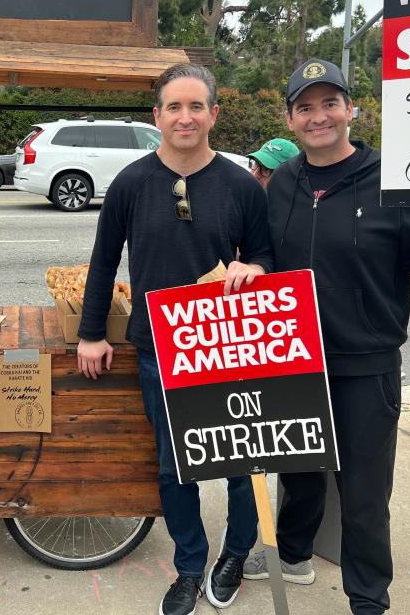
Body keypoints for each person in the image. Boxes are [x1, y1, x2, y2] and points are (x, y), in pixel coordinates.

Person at [242, 57, 410, 615]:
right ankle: (293, 556)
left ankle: (368, 600)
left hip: (367, 365)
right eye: (305, 107)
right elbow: (264, 251)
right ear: (290, 119)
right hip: (294, 360)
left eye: (329, 103)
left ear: (350, 110)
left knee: (363, 494)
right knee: (300, 474)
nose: (319, 117)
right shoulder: (282, 182)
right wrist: (255, 269)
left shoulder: (391, 181)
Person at [76, 63, 273, 615]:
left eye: (196, 106)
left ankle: (235, 553)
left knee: (241, 459)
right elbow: (103, 261)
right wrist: (91, 333)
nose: (185, 117)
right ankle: (189, 564)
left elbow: (265, 257)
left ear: (214, 113)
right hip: (159, 348)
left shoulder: (241, 186)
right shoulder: (132, 183)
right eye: (174, 107)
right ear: (156, 115)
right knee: (174, 462)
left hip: (231, 345)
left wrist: (253, 270)